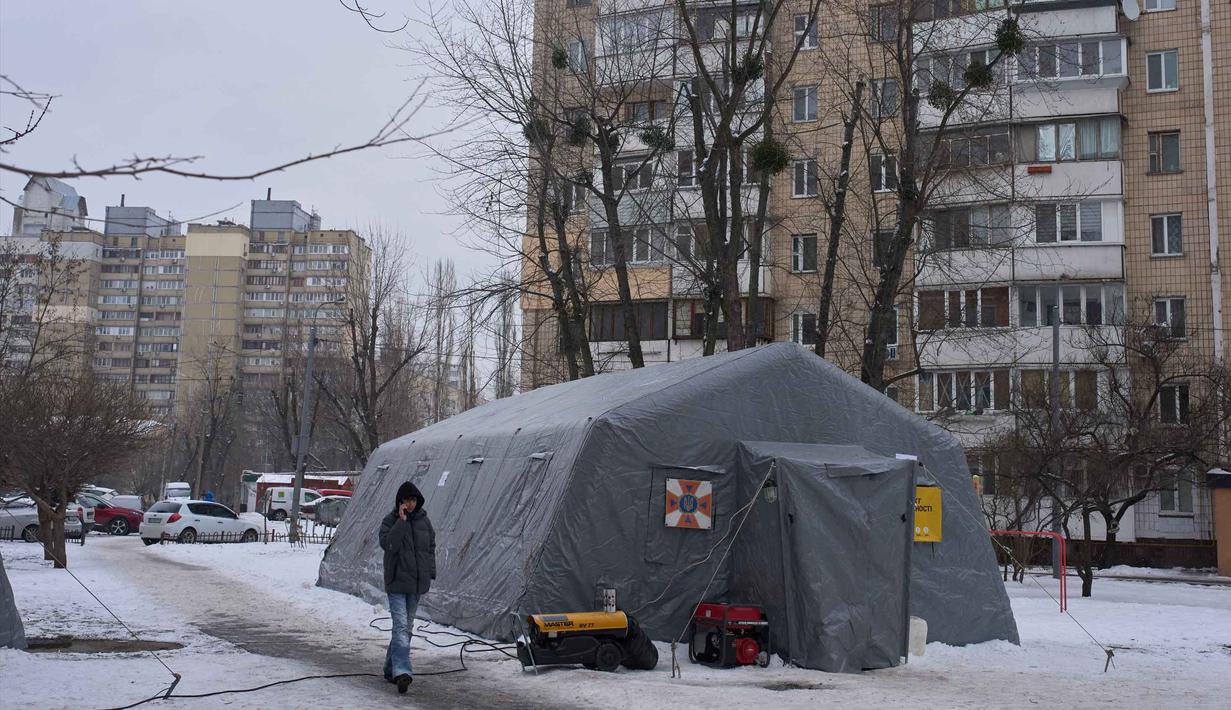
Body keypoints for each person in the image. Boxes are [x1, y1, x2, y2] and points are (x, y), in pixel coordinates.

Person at [379, 481, 436, 694]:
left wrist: (430, 572)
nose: (410, 504)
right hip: (396, 584)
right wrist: (401, 523)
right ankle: (403, 672)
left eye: (413, 500)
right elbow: (389, 545)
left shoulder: (424, 522)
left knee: (405, 629)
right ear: (400, 502)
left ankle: (390, 668)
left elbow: (430, 547)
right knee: (401, 627)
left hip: (416, 585)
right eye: (406, 500)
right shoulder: (390, 521)